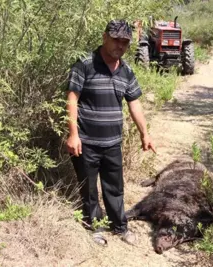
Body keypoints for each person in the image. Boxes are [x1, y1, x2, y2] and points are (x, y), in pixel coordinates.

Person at [66, 19, 156, 245]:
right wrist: (73, 134)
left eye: (125, 42)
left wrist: (145, 133)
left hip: (112, 143)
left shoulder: (126, 70)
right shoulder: (85, 64)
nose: (120, 46)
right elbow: (72, 99)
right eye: (116, 40)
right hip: (86, 142)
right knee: (88, 188)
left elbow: (134, 103)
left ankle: (120, 226)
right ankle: (94, 227)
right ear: (105, 37)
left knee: (115, 187)